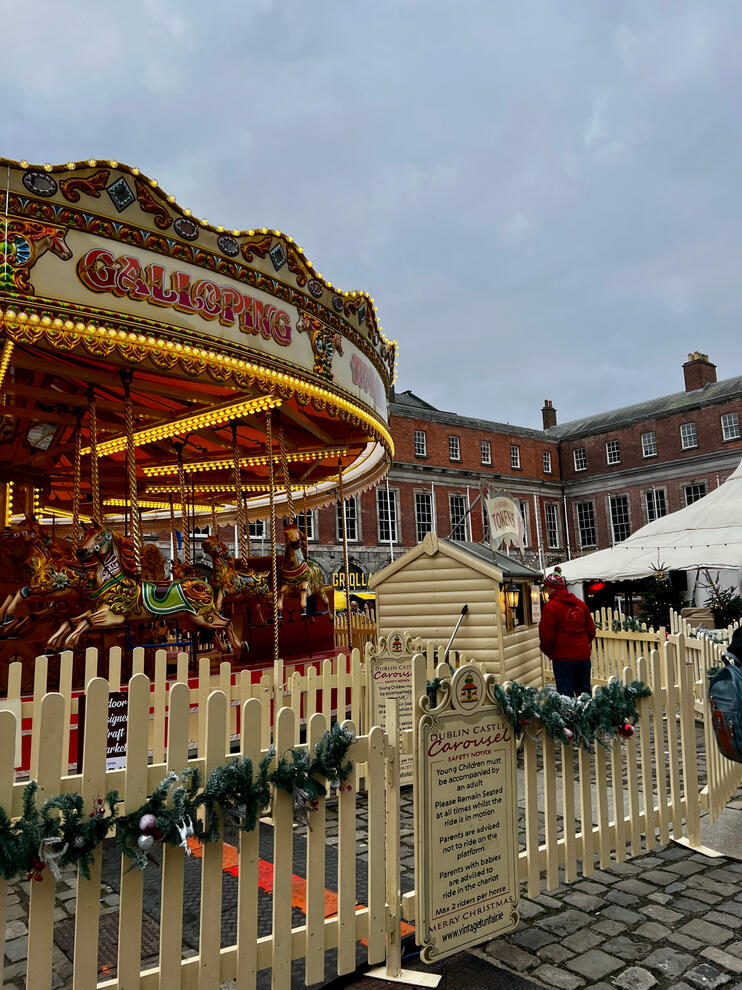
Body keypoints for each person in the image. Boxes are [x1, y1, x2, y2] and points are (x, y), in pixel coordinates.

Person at [538, 567, 596, 697]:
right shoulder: (580, 604)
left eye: (546, 588)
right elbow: (591, 630)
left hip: (563, 658)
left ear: (552, 588)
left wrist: (552, 653)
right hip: (583, 656)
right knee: (584, 694)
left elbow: (546, 636)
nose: (545, 591)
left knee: (566, 696)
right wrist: (584, 646)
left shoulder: (550, 607)